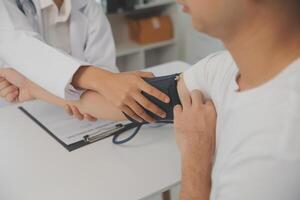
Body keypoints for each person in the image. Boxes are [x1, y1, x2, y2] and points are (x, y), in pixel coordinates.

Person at [2, 0, 300, 199]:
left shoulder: (277, 154)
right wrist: (32, 88)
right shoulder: (222, 68)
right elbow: (133, 101)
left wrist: (195, 161)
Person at [0, 0, 170, 123]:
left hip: (77, 120)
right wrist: (102, 82)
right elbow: (21, 48)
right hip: (18, 113)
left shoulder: (90, 8)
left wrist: (95, 90)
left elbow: (108, 87)